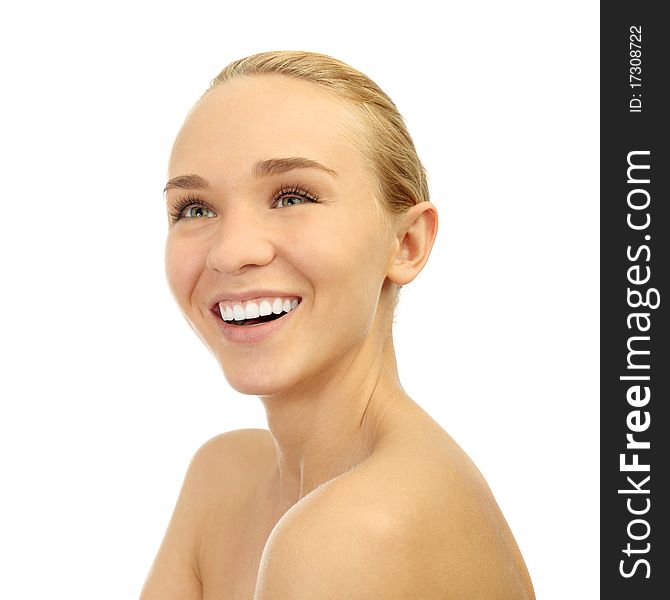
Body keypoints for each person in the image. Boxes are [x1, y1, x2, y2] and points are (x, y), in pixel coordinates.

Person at [140, 50, 535, 599]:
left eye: (292, 196)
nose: (230, 253)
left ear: (407, 243)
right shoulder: (222, 479)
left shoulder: (353, 531)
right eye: (195, 208)